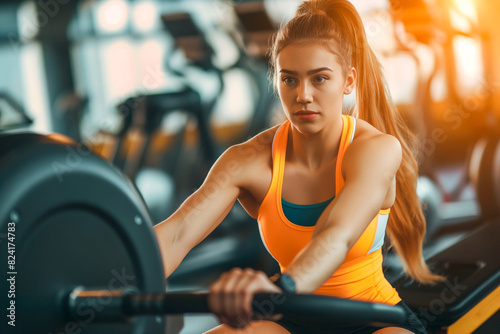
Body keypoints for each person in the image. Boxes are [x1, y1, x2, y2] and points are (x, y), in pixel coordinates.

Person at [154, 0, 444, 333]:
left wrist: (281, 289)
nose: (303, 95)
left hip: (373, 319)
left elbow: (336, 235)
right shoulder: (247, 160)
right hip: (291, 321)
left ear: (348, 81)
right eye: (289, 80)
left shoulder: (375, 149)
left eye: (319, 79)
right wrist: (100, 287)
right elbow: (175, 234)